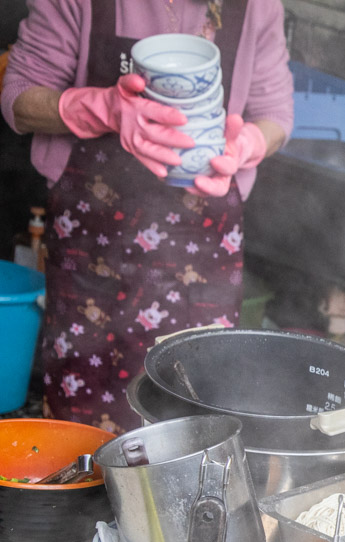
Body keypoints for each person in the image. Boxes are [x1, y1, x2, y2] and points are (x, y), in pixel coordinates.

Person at [1, 0, 293, 433]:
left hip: (203, 244)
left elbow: (275, 114)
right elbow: (19, 96)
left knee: (193, 415)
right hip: (92, 241)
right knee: (81, 420)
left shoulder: (256, 6)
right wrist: (105, 109)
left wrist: (246, 145)